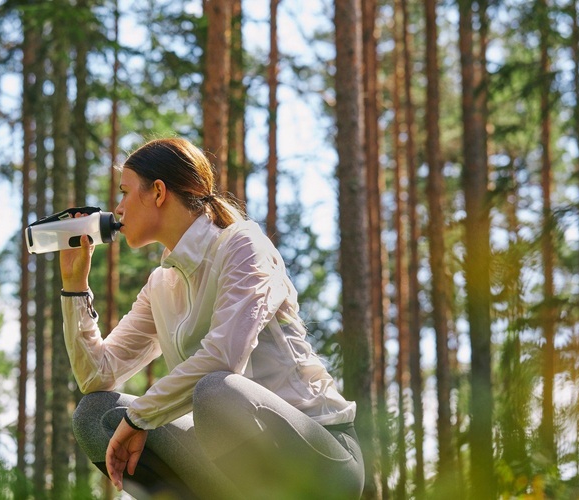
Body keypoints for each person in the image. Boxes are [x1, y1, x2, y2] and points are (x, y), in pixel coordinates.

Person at [59, 137, 364, 499]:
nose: (118, 208)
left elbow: (223, 357)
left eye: (125, 192)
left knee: (215, 390)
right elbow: (97, 376)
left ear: (158, 192)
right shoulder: (162, 284)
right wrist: (75, 287)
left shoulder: (243, 246)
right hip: (235, 470)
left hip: (321, 459)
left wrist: (140, 416)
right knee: (96, 415)